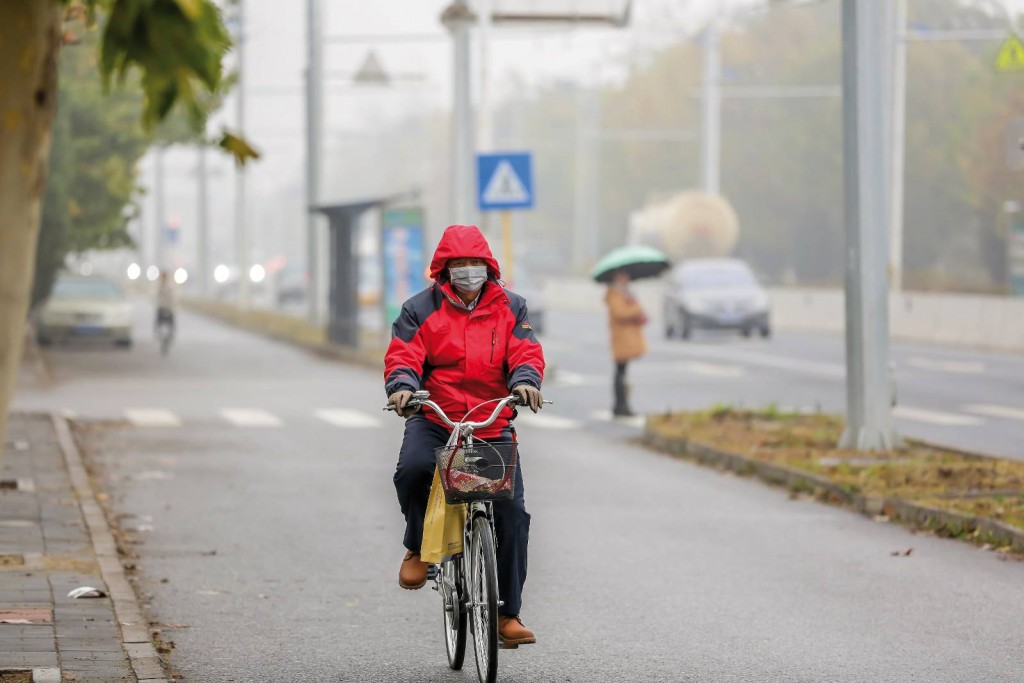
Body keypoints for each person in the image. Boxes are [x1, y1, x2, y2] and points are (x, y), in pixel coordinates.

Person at [384, 224, 545, 648]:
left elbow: (525, 351)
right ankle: (418, 547)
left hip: (490, 422)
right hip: (436, 418)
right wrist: (402, 386)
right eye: (459, 265)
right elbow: (404, 354)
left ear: (488, 267)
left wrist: (526, 380)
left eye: (475, 264)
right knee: (413, 470)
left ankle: (507, 614)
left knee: (513, 514)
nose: (468, 272)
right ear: (444, 270)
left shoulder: (512, 307)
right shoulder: (419, 309)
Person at [604, 269, 647, 417]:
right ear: (617, 277)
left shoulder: (624, 293)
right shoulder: (615, 294)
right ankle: (620, 405)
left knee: (623, 372)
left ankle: (622, 404)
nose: (626, 279)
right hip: (621, 338)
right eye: (623, 276)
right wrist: (637, 307)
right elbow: (620, 313)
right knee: (620, 372)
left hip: (626, 338)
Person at [155, 271, 178, 336]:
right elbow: (155, 295)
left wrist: (172, 305)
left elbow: (173, 296)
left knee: (171, 323)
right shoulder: (159, 285)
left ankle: (171, 333)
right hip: (161, 307)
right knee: (159, 322)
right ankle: (158, 332)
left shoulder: (170, 285)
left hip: (169, 308)